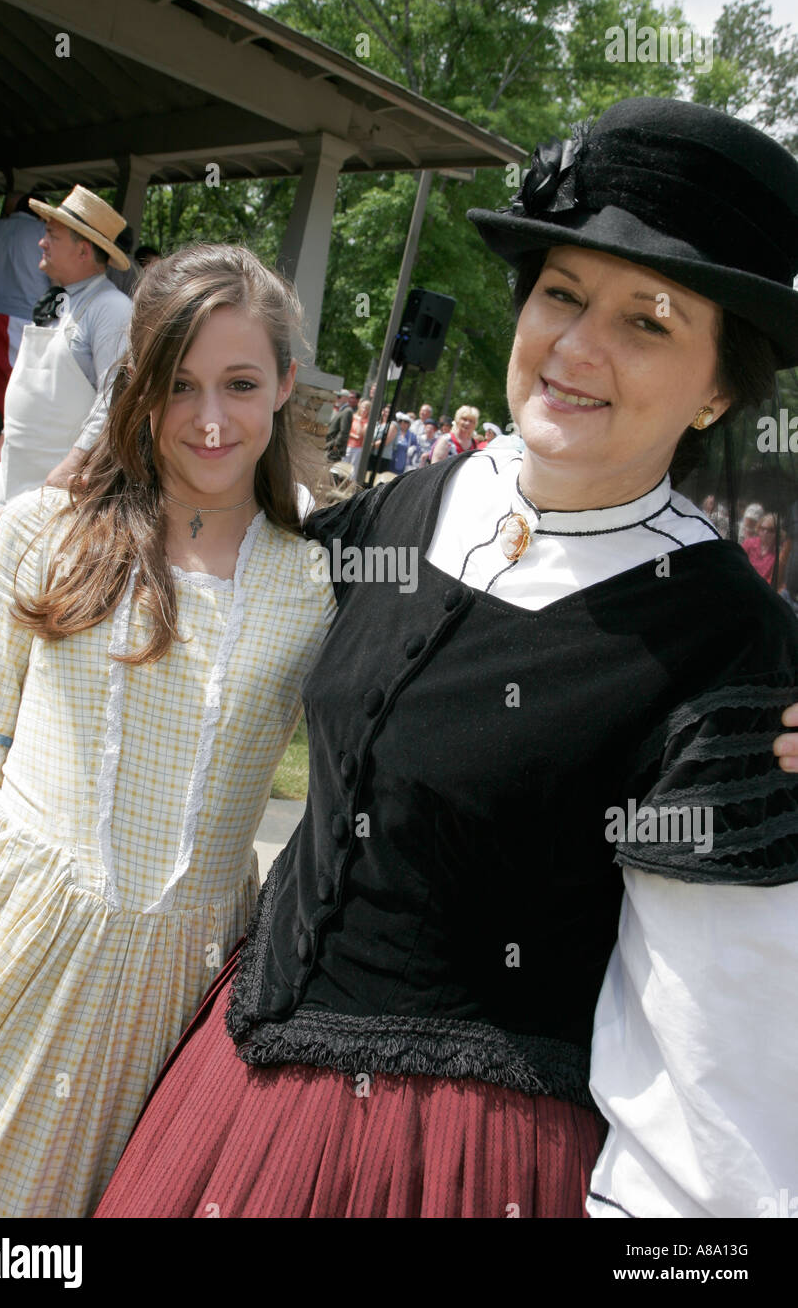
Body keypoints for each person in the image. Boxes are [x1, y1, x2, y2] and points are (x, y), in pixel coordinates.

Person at [95, 97, 798, 1221]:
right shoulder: (398, 511)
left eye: (648, 321)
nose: (576, 347)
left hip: (455, 1168)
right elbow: (194, 597)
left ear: (720, 388)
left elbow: (716, 1082)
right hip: (225, 1101)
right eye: (561, 294)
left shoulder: (734, 654)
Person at [0, 242, 334, 1216]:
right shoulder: (44, 529)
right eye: (178, 383)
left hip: (188, 985)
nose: (208, 418)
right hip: (8, 936)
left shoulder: (323, 580)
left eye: (239, 383)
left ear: (283, 383)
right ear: (138, 386)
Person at [0, 186, 133, 598]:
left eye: (52, 235)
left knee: (18, 596)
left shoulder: (111, 310)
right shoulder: (56, 301)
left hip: (54, 486)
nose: (41, 241)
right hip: (12, 473)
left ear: (84, 251)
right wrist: (4, 437)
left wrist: (70, 468)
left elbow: (115, 399)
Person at [324, 388, 359, 462]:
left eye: (339, 397)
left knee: (331, 471)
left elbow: (344, 432)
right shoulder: (343, 409)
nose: (337, 398)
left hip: (336, 449)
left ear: (346, 398)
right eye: (337, 396)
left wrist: (335, 446)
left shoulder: (347, 411)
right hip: (332, 446)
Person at [366, 404, 398, 477]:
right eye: (384, 411)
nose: (385, 413)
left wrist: (371, 445)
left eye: (388, 412)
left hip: (382, 457)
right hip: (372, 454)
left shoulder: (393, 425)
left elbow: (385, 441)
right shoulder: (378, 423)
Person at [343, 397, 371, 464]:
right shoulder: (352, 416)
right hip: (347, 445)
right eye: (363, 407)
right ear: (360, 407)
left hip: (358, 449)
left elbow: (359, 434)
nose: (364, 410)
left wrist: (359, 420)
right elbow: (345, 430)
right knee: (343, 467)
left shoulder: (367, 422)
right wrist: (353, 436)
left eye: (367, 409)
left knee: (353, 471)